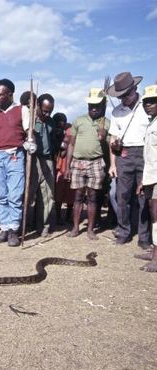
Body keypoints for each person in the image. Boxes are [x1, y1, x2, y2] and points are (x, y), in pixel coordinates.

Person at [0, 78, 32, 247]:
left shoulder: (22, 110)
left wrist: (30, 142)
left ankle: (13, 230)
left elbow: (29, 133)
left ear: (10, 95)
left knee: (15, 195)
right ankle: (4, 227)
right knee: (0, 196)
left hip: (15, 156)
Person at [108, 72, 150, 249]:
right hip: (123, 156)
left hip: (145, 154)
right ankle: (123, 232)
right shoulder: (116, 111)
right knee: (122, 196)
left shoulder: (147, 107)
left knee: (144, 197)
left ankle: (144, 238)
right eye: (120, 96)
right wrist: (112, 164)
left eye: (126, 94)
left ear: (135, 89)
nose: (123, 99)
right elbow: (112, 139)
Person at [65, 88, 110, 240]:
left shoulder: (107, 123)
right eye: (91, 105)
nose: (94, 108)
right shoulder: (78, 120)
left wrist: (104, 137)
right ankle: (75, 227)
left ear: (103, 105)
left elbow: (111, 148)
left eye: (97, 105)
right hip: (78, 163)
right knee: (78, 196)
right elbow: (71, 144)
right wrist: (67, 166)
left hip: (96, 163)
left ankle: (90, 230)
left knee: (93, 197)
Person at [134, 85, 157, 272]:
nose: (148, 105)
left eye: (152, 101)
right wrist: (144, 179)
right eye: (146, 102)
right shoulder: (152, 123)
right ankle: (155, 252)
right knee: (153, 214)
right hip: (151, 176)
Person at [29, 93, 55, 237]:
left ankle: (43, 226)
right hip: (33, 160)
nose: (47, 113)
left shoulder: (51, 122)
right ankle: (25, 225)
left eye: (50, 111)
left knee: (47, 195)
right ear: (38, 106)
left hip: (48, 160)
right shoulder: (31, 121)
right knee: (29, 194)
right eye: (44, 110)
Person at [53, 113, 74, 224]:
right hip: (59, 166)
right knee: (59, 192)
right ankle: (58, 216)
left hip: (69, 165)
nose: (61, 123)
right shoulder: (54, 133)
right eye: (58, 121)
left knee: (71, 191)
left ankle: (68, 216)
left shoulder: (68, 132)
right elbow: (61, 153)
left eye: (63, 121)